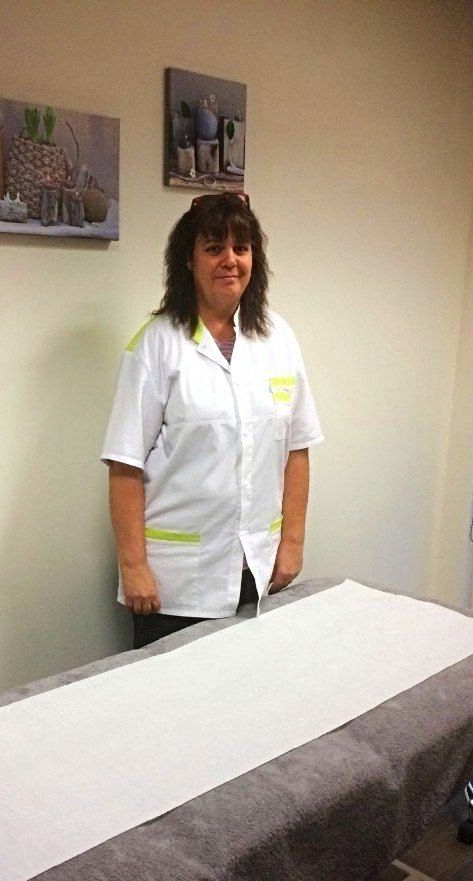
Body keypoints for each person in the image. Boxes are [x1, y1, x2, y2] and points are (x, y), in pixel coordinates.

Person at [101, 192, 323, 649]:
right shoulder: (156, 345)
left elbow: (297, 451)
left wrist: (292, 544)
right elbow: (124, 466)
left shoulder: (278, 338)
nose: (230, 261)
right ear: (188, 260)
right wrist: (134, 567)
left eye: (241, 248)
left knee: (247, 684)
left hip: (257, 570)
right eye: (214, 248)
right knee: (170, 691)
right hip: (176, 582)